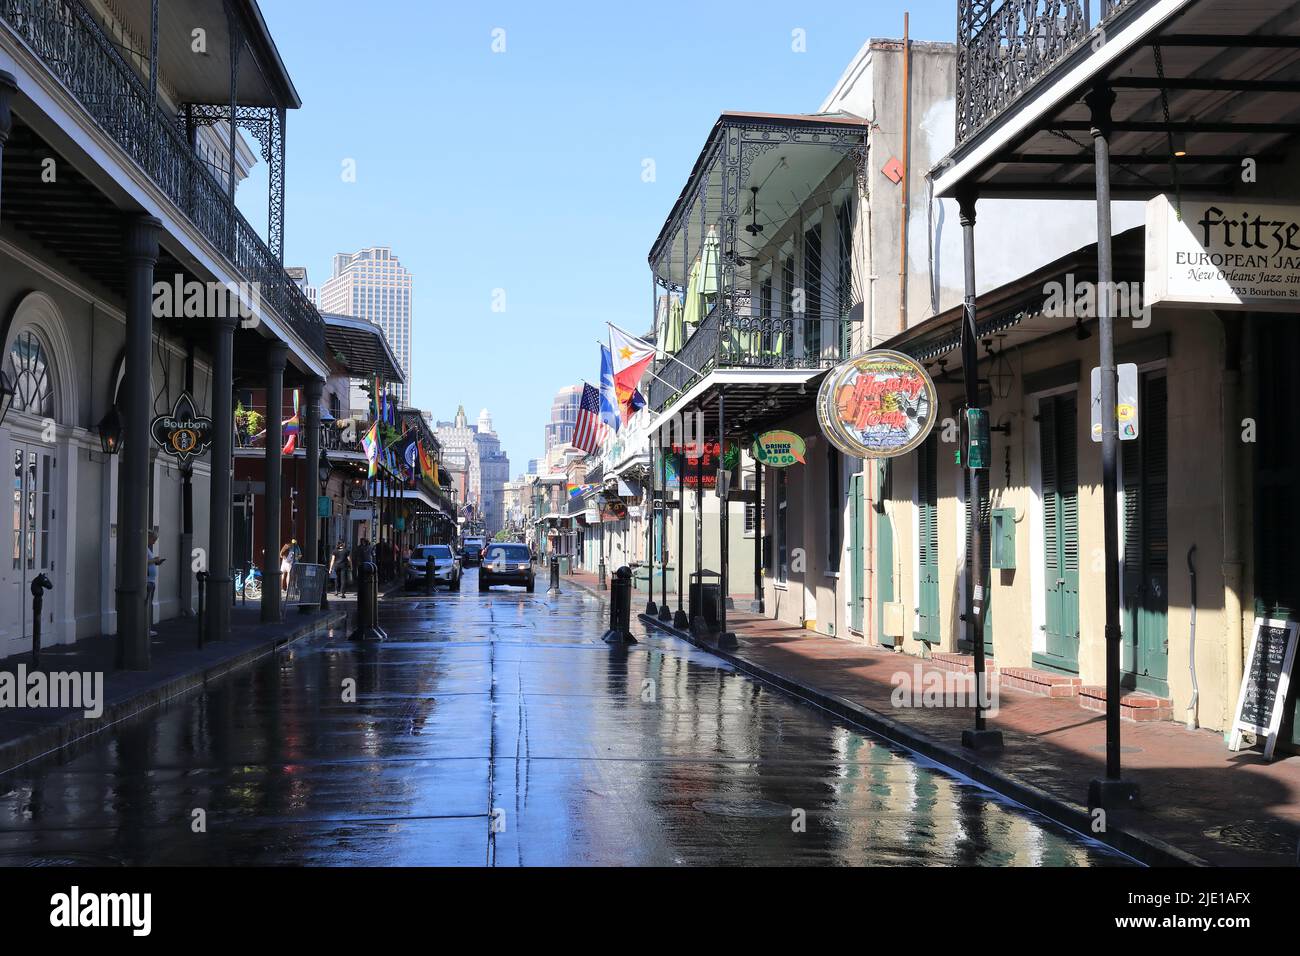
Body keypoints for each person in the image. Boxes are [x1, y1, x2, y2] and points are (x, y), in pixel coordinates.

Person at [146, 530, 165, 637]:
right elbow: (142, 561)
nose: (154, 542)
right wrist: (154, 560)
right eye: (153, 539)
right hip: (148, 581)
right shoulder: (144, 549)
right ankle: (145, 629)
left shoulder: (148, 549)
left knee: (148, 606)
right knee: (146, 606)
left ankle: (147, 629)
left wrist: (156, 562)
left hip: (151, 580)